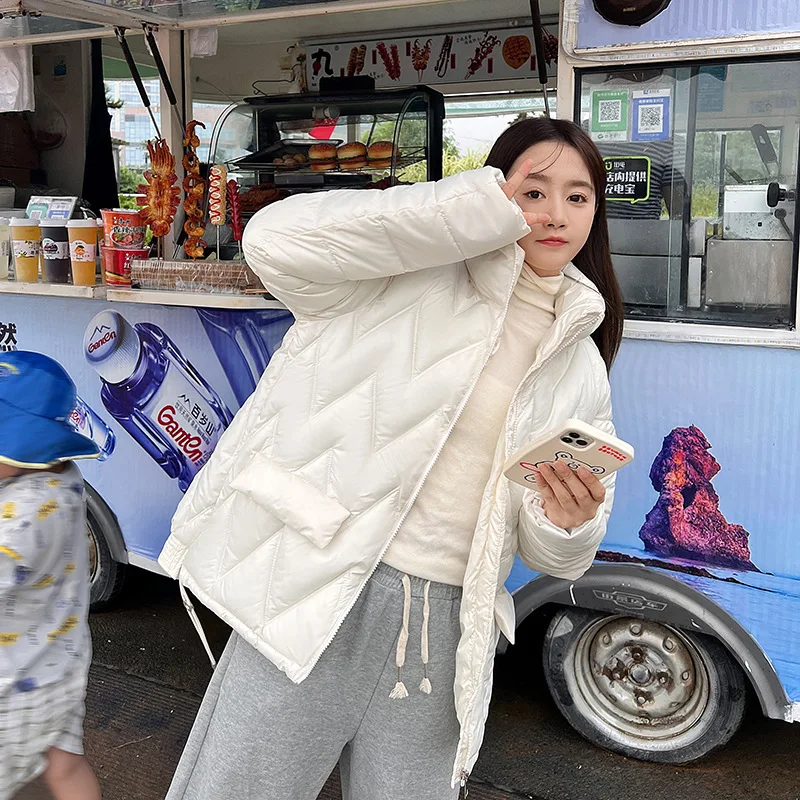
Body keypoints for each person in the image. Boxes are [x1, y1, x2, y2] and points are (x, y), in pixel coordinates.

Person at [159, 117, 624, 800]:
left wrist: (568, 522)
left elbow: (558, 557)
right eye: (534, 191)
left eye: (578, 197)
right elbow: (272, 242)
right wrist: (467, 213)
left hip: (445, 630)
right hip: (323, 586)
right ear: (491, 192)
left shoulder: (580, 361)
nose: (556, 214)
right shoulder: (406, 275)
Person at [0, 351, 101, 800]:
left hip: (15, 691)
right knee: (66, 765)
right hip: (64, 664)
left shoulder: (19, 524)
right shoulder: (66, 478)